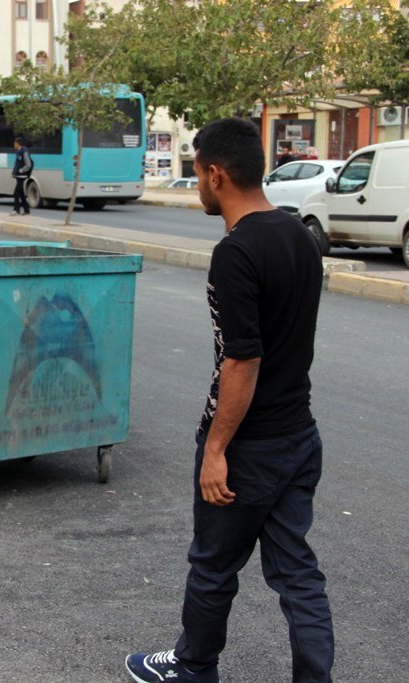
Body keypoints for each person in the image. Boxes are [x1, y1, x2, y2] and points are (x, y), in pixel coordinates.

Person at [124, 118, 333, 683]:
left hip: (250, 446)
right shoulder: (300, 236)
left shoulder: (236, 252)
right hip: (299, 437)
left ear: (215, 174)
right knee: (298, 575)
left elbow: (242, 359)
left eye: (196, 172)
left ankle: (194, 668)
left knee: (213, 566)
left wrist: (217, 448)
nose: (197, 185)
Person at [10, 135, 32, 216]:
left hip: (22, 176)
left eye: (14, 143)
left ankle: (16, 209)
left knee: (16, 193)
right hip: (18, 175)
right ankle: (26, 210)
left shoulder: (24, 152)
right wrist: (14, 172)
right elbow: (18, 163)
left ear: (17, 143)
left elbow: (28, 164)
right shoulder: (18, 152)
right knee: (21, 193)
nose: (14, 145)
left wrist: (20, 171)